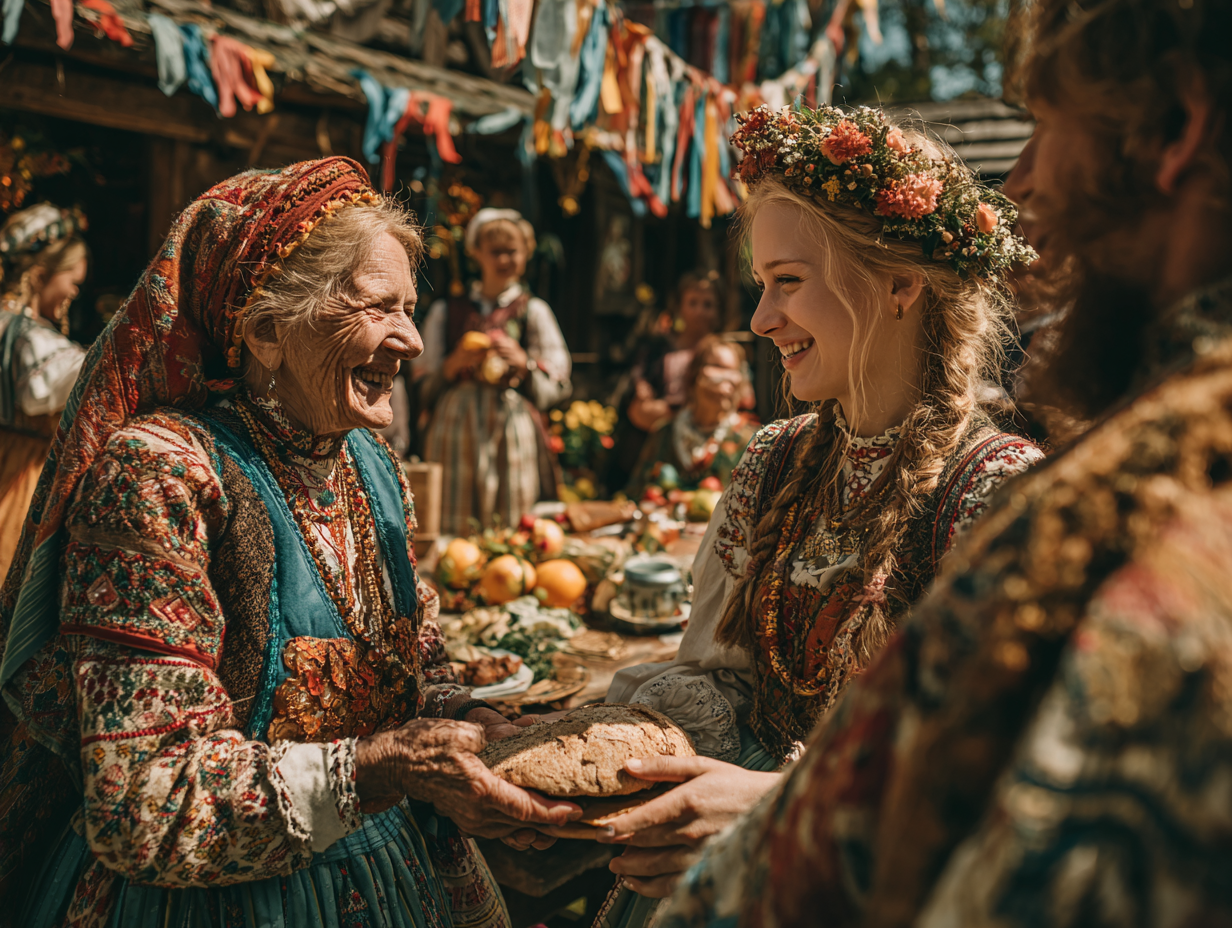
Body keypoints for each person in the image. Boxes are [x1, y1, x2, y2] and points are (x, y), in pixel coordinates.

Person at [654, 0, 1232, 923]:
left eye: (1047, 120)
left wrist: (762, 810)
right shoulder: (784, 464)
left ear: (1179, 129)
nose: (1023, 176)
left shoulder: (1054, 503)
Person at [0, 159, 579, 928]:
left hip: (395, 869)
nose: (409, 340)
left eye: (411, 309)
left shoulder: (370, 464)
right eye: (378, 308)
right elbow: (145, 798)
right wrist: (383, 767)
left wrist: (469, 719)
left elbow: (408, 667)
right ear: (267, 331)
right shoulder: (161, 475)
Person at [582, 105, 1044, 923]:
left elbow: (1003, 784)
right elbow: (723, 682)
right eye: (762, 285)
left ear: (900, 283)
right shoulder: (774, 462)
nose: (761, 320)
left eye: (787, 282)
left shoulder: (994, 493)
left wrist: (774, 807)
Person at [413, 208, 571, 534]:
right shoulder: (448, 310)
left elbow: (558, 383)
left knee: (511, 518)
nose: (504, 259)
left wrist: (524, 364)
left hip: (511, 426)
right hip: (455, 427)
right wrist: (452, 365)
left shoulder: (534, 311)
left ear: (526, 253)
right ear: (476, 254)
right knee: (452, 522)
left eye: (512, 251)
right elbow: (422, 383)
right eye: (495, 251)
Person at [0, 203, 88, 578]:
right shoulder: (32, 341)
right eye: (73, 280)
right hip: (21, 477)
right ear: (39, 276)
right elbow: (42, 392)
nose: (74, 292)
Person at [625, 335, 759, 498]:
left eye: (734, 372)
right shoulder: (664, 433)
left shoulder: (749, 441)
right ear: (695, 375)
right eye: (718, 368)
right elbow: (635, 493)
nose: (727, 382)